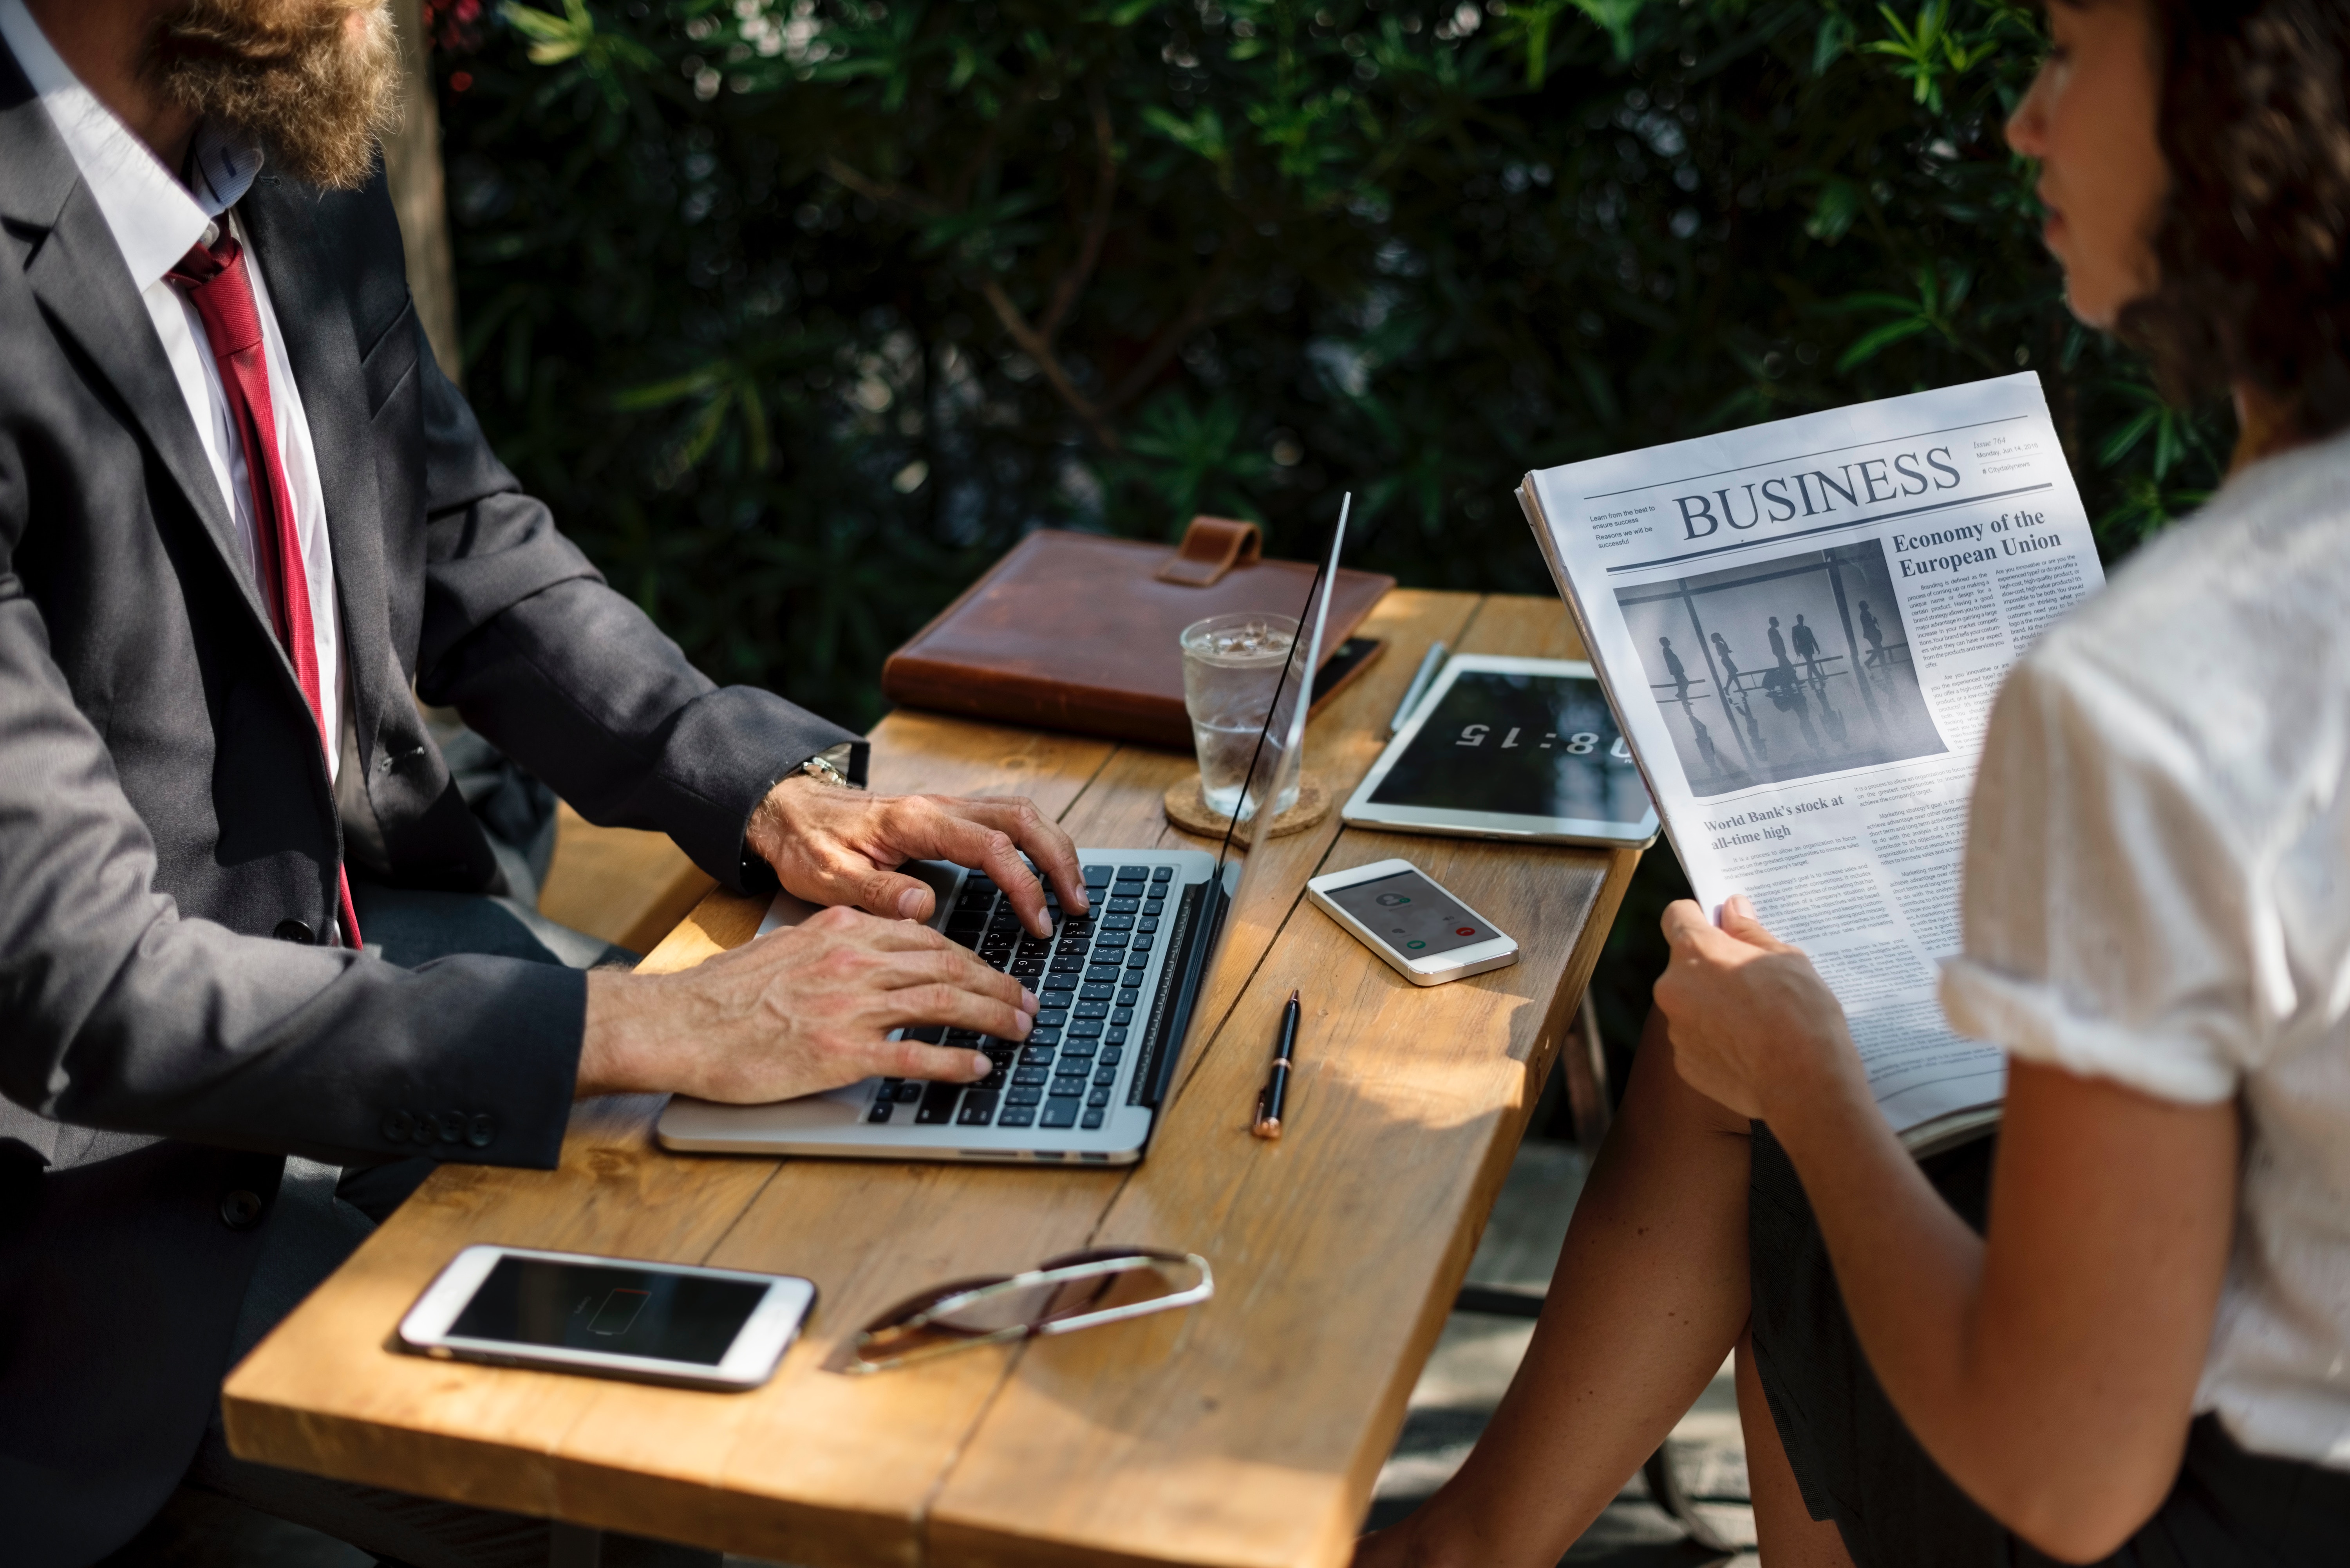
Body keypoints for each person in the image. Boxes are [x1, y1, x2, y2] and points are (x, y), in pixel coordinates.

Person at [0, 2, 1092, 1564]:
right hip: (86, 1169)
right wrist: (654, 1021)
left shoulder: (270, 123)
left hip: (379, 947)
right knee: (640, 1442)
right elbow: (85, 989)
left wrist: (764, 782)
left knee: (828, 1215)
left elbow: (452, 533)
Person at [1356, 1, 2350, 1564]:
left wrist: (1816, 1081)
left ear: (2246, 108)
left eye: (2073, 47)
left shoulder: (2165, 684)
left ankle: (1474, 1541)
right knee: (1777, 1031)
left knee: (1775, 1084)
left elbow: (2069, 1476)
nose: (2026, 118)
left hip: (2234, 1504)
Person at [1790, 611, 1821, 685]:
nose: (1800, 620)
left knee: (1809, 663)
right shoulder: (1795, 629)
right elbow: (1794, 640)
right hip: (1803, 650)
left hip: (1809, 649)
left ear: (1803, 619)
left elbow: (1813, 639)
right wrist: (1796, 651)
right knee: (1810, 662)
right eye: (1799, 619)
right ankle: (1819, 676)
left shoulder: (1808, 629)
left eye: (1801, 619)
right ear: (1797, 620)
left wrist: (1817, 648)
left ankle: (1810, 679)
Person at [1658, 635, 1690, 704]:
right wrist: (1677, 670)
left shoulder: (1667, 650)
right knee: (1684, 683)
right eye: (1668, 641)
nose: (1669, 642)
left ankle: (1684, 700)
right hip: (1676, 671)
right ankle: (1682, 698)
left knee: (1682, 684)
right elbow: (1671, 661)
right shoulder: (1666, 650)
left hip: (1677, 670)